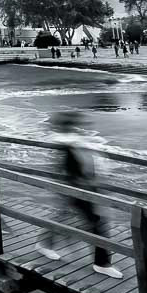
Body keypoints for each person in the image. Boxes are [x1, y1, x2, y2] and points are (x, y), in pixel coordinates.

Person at [37, 111, 123, 279]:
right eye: (77, 124)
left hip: (84, 189)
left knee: (64, 218)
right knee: (96, 223)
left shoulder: (77, 141)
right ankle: (101, 263)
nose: (83, 127)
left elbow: (89, 163)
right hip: (77, 190)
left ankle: (44, 243)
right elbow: (65, 170)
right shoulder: (66, 145)